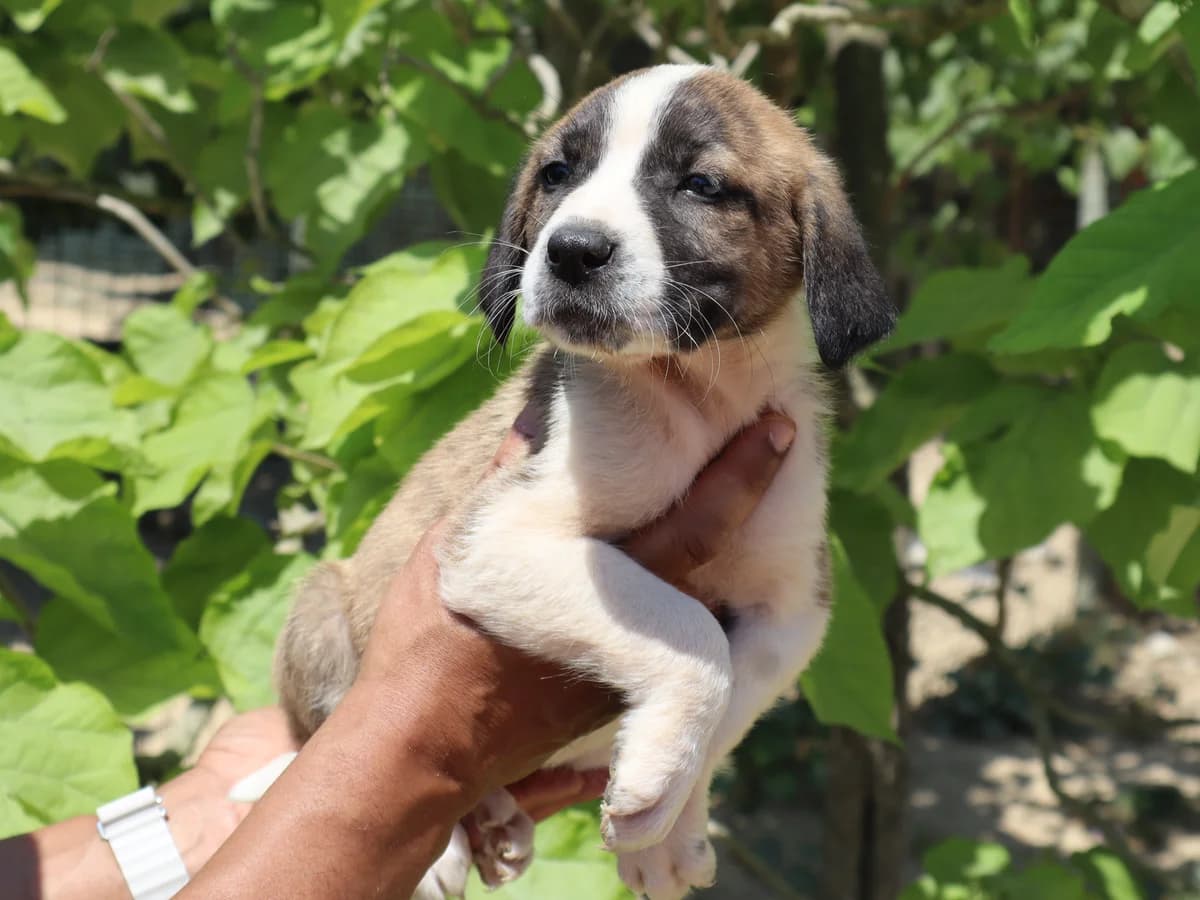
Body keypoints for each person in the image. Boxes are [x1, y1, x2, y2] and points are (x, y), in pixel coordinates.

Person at [0, 409, 794, 900]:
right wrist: (419, 762)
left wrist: (216, 812)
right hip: (365, 664)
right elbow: (490, 568)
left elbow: (788, 618)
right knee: (323, 612)